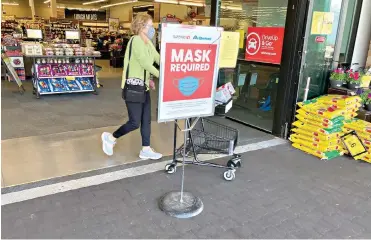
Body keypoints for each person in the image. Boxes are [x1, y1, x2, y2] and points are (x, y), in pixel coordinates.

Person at [101, 13, 162, 160]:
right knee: (135, 122)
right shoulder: (136, 41)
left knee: (146, 120)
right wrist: (163, 75)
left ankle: (146, 149)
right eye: (150, 25)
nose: (152, 28)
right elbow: (145, 63)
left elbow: (157, 58)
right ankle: (111, 138)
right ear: (141, 26)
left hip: (144, 87)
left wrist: (170, 66)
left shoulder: (148, 42)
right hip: (133, 87)